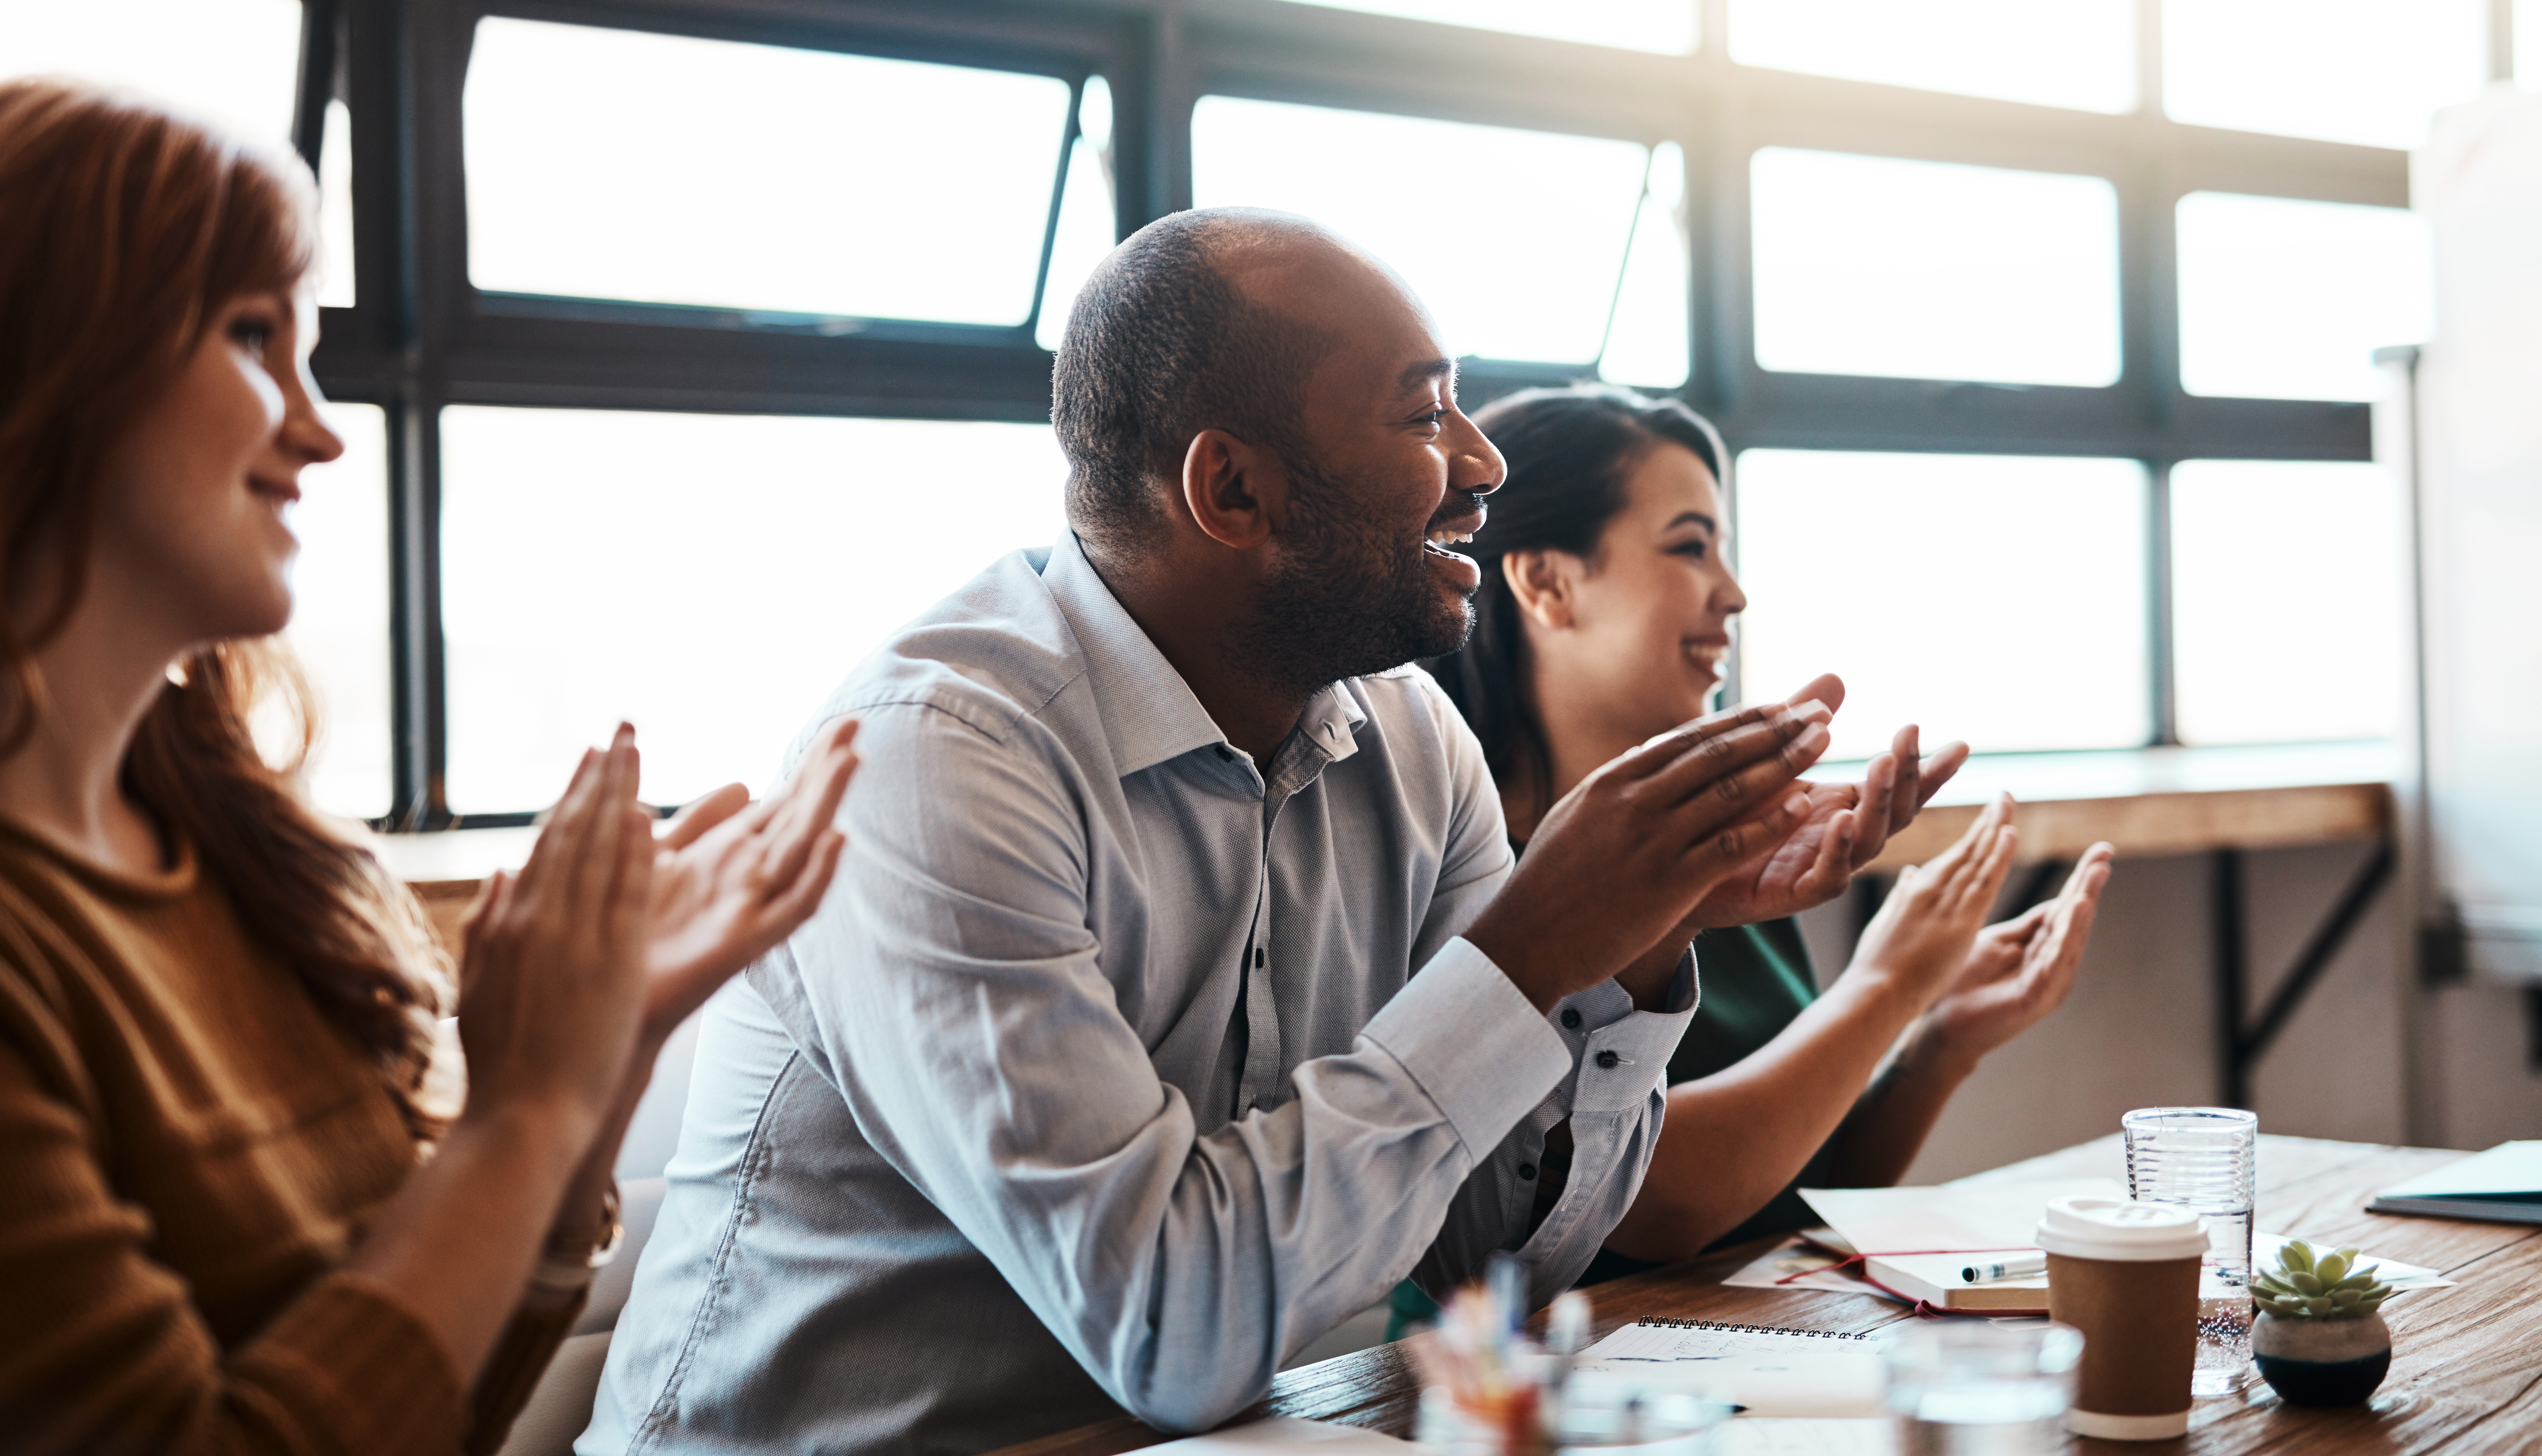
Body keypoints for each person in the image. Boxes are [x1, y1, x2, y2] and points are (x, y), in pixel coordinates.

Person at [586, 210, 1948, 1455]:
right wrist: (1530, 951)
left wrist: (1638, 940)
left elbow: (1508, 1264)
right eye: (1425, 417)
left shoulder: (1411, 738)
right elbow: (1170, 1332)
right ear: (1233, 492)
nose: (1483, 464)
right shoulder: (940, 762)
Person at [0, 79, 860, 1456]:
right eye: (248, 336)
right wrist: (520, 1110)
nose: (321, 428)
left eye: (312, 350)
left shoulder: (237, 855)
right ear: (45, 357)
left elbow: (429, 1405)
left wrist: (601, 1060)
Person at [1425, 384, 2114, 1289]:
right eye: (1690, 547)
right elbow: (1648, 1203)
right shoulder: (1465, 871)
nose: (1734, 593)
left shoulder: (1733, 846)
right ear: (1547, 582)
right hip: (1510, 1393)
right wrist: (1885, 985)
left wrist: (1935, 1038)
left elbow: (1801, 1190)